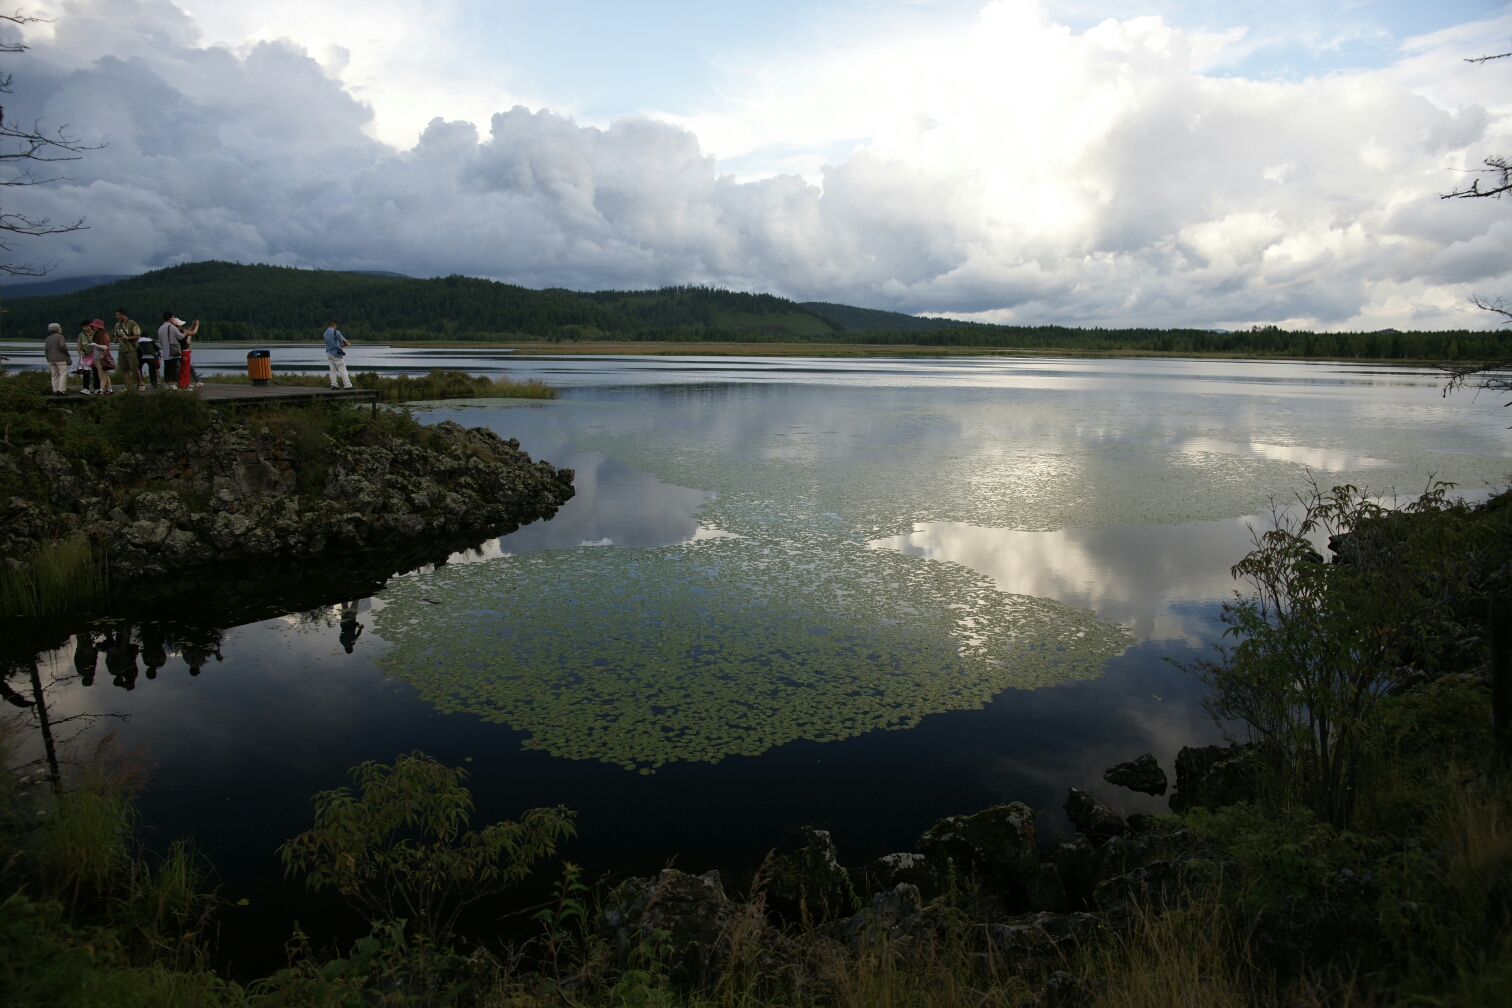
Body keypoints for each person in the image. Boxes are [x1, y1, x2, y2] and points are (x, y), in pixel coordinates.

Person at [112, 309, 142, 392]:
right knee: (125, 369)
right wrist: (115, 339)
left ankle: (140, 383)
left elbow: (137, 336)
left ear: (123, 315)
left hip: (131, 349)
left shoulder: (132, 323)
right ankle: (129, 386)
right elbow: (116, 335)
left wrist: (127, 338)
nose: (117, 317)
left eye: (118, 315)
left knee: (134, 367)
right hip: (121, 349)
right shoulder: (118, 325)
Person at [324, 319, 353, 389]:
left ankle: (334, 385)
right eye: (335, 326)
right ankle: (347, 385)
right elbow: (344, 341)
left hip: (329, 353)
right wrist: (348, 344)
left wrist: (341, 345)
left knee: (332, 370)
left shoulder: (325, 333)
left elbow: (331, 343)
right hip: (336, 354)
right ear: (334, 325)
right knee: (342, 369)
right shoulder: (336, 332)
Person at [89, 319, 114, 395]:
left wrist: (96, 345)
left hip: (102, 357)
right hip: (96, 357)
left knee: (102, 375)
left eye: (95, 326)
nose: (93, 327)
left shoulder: (104, 335)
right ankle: (110, 389)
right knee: (105, 375)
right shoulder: (96, 335)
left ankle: (101, 390)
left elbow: (107, 347)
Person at [159, 311, 184, 387]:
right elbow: (181, 336)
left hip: (166, 352)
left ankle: (167, 384)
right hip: (174, 352)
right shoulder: (172, 327)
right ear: (170, 318)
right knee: (175, 369)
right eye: (173, 317)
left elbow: (160, 341)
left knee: (167, 369)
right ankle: (173, 384)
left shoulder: (160, 328)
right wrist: (185, 333)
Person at [43, 322, 70, 393]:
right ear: (58, 329)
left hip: (50, 359)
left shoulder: (48, 338)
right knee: (63, 373)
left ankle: (55, 389)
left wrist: (48, 359)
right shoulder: (60, 337)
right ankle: (61, 390)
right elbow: (62, 345)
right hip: (60, 358)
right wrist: (66, 352)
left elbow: (46, 350)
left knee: (54, 375)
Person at [75, 321, 97, 394]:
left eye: (86, 326)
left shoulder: (95, 334)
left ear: (90, 326)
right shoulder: (81, 335)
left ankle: (97, 387)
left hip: (95, 355)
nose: (85, 328)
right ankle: (85, 388)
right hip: (85, 355)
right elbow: (79, 345)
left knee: (96, 371)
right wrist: (80, 353)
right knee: (86, 372)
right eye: (83, 327)